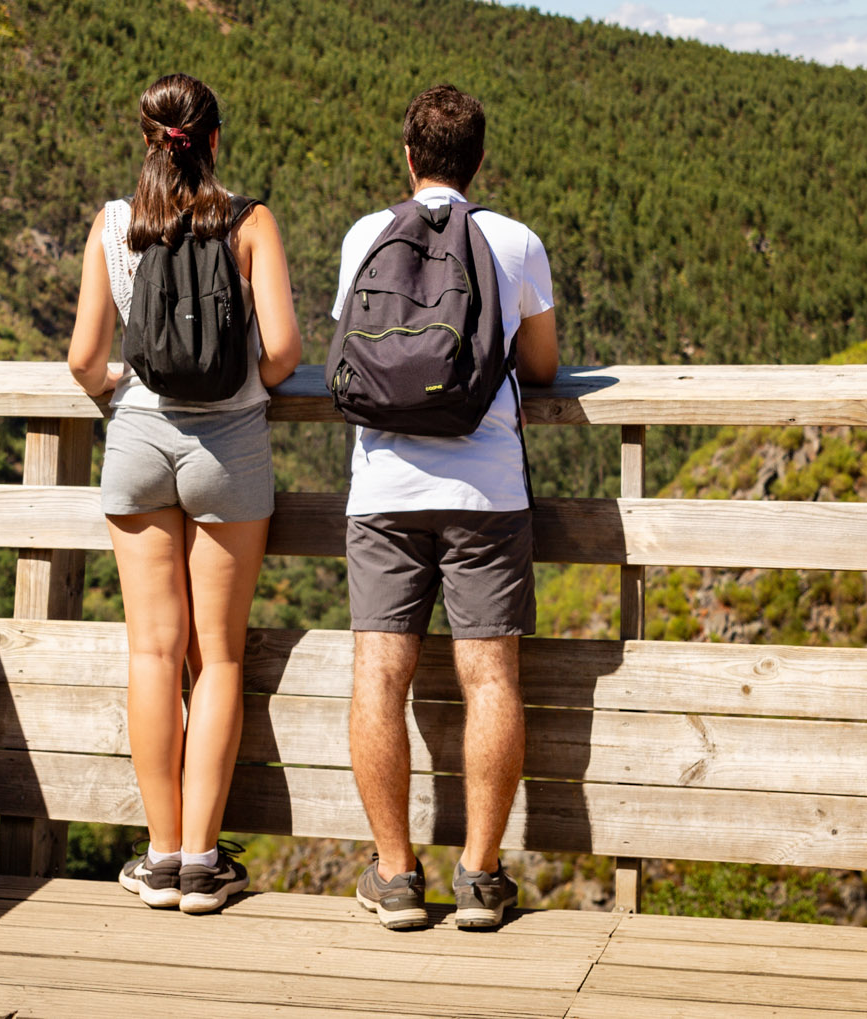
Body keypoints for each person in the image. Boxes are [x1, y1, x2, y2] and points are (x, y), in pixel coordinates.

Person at [66, 73, 302, 915]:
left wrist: (125, 381)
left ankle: (160, 854)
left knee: (152, 654)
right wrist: (246, 381)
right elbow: (282, 350)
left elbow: (83, 360)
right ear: (213, 136)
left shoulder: (114, 223)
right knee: (221, 656)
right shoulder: (250, 220)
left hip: (136, 436)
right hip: (229, 444)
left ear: (149, 137)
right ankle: (204, 863)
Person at [338, 84, 558, 932]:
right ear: (478, 161)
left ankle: (396, 876)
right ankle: (480, 875)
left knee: (378, 678)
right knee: (491, 677)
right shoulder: (513, 240)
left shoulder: (368, 233)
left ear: (408, 157)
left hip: (384, 490)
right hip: (487, 490)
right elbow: (539, 366)